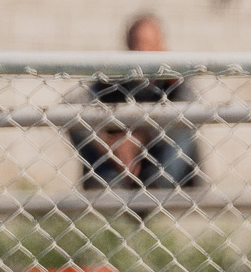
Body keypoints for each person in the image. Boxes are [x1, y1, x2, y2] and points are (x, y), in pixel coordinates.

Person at [72, 14, 203, 190]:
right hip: (118, 163)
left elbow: (193, 109)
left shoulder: (176, 77)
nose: (141, 50)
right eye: (136, 44)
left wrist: (140, 138)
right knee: (76, 121)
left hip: (162, 159)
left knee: (184, 127)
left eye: (147, 43)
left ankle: (157, 188)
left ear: (161, 45)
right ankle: (107, 187)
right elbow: (71, 103)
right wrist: (107, 143)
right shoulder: (113, 79)